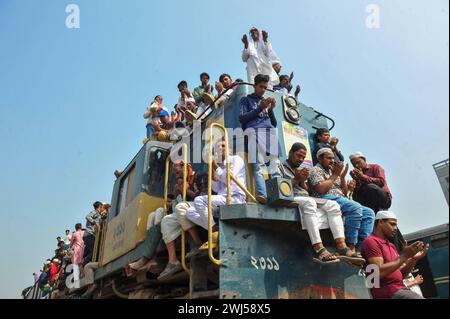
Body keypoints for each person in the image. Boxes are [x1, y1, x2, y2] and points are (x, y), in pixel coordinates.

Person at [279, 143, 365, 265]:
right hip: (291, 197)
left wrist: (302, 181)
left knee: (333, 205)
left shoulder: (300, 169)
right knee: (310, 202)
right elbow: (279, 189)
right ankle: (319, 248)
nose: (301, 159)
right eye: (298, 156)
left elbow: (306, 190)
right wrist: (296, 179)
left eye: (303, 157)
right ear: (290, 153)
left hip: (305, 196)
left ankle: (341, 246)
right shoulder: (280, 166)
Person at [309, 148, 375, 252]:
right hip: (324, 197)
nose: (332, 161)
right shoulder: (315, 170)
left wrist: (342, 176)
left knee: (369, 213)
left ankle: (360, 248)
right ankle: (350, 245)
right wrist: (335, 175)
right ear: (319, 159)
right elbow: (321, 189)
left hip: (339, 198)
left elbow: (344, 192)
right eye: (328, 158)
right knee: (355, 207)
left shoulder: (333, 171)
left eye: (333, 158)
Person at [361, 211, 428, 299]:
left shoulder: (391, 245)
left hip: (398, 289)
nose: (395, 228)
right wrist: (404, 256)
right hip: (386, 292)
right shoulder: (371, 242)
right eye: (392, 224)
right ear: (380, 222)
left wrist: (413, 259)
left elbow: (400, 275)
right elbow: (377, 273)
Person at [348, 151, 405, 252]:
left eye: (358, 162)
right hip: (370, 204)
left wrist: (363, 177)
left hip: (383, 199)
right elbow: (360, 193)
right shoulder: (356, 174)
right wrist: (355, 185)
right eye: (354, 164)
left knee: (370, 187)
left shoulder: (375, 167)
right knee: (383, 225)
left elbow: (381, 182)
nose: (356, 165)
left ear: (364, 160)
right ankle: (397, 249)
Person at [186, 139, 247, 231]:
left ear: (229, 149)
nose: (219, 148)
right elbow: (216, 188)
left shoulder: (235, 159)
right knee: (189, 212)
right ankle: (215, 229)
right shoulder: (220, 166)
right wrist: (210, 166)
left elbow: (227, 179)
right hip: (222, 199)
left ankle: (213, 231)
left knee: (199, 201)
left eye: (223, 146)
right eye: (217, 147)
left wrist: (215, 165)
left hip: (235, 198)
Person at [239, 74, 281, 204]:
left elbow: (274, 124)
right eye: (261, 86)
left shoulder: (266, 102)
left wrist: (271, 109)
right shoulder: (245, 100)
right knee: (258, 167)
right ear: (254, 86)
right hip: (254, 133)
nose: (263, 89)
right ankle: (262, 194)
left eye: (265, 87)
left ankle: (279, 195)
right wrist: (260, 108)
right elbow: (242, 118)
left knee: (275, 167)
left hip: (270, 134)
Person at [157, 163, 204, 280]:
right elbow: (179, 206)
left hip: (201, 207)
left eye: (178, 172)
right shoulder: (181, 183)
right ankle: (172, 261)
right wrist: (178, 194)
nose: (177, 176)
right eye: (175, 174)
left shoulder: (200, 176)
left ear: (187, 167)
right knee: (166, 221)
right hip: (186, 210)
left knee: (180, 208)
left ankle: (197, 243)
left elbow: (203, 197)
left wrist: (186, 190)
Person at [71, 223, 85, 288]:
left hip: (77, 249)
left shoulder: (74, 234)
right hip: (84, 247)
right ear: (81, 227)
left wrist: (72, 243)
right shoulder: (84, 232)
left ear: (75, 228)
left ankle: (78, 277)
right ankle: (83, 274)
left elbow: (71, 244)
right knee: (81, 262)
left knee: (76, 263)